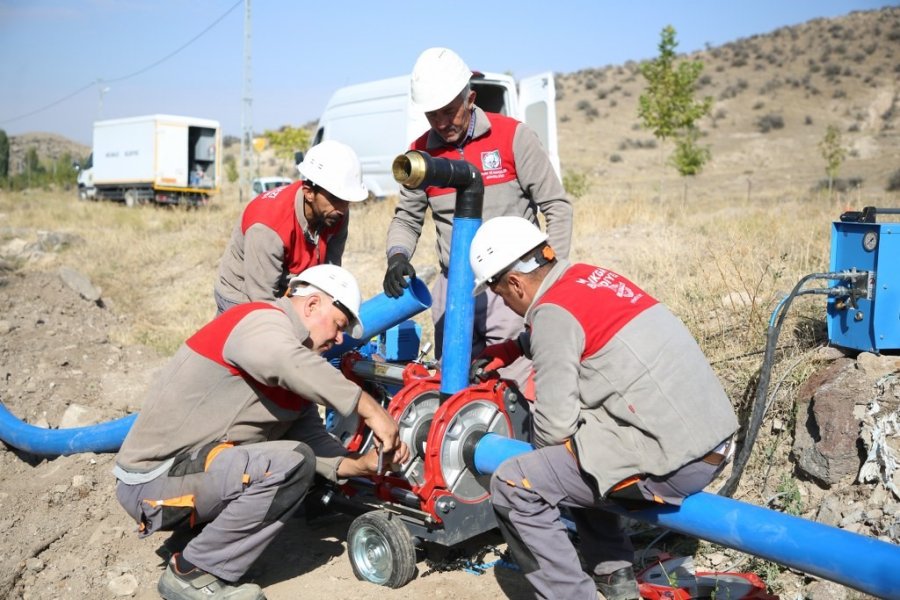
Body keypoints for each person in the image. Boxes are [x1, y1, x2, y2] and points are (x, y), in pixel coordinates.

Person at [467, 216, 739, 600]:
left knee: (517, 484)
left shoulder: (551, 314)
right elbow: (591, 335)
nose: (507, 305)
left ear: (514, 282)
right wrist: (517, 347)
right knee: (581, 451)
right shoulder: (587, 277)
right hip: (712, 438)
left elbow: (554, 430)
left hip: (677, 464)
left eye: (501, 294)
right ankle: (615, 580)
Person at [114, 264, 409, 600]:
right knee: (289, 463)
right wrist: (373, 411)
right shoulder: (261, 322)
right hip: (152, 481)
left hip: (185, 477)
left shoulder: (295, 374)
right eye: (339, 326)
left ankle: (195, 544)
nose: (339, 339)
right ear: (312, 305)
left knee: (298, 458)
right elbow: (287, 361)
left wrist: (363, 466)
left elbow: (314, 444)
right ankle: (193, 573)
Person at [383, 47, 573, 391]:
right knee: (454, 386)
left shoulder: (513, 137)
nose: (441, 123)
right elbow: (407, 219)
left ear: (470, 98)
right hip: (452, 285)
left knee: (514, 384)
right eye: (432, 115)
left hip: (513, 285)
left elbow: (556, 206)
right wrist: (397, 256)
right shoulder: (420, 155)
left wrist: (549, 278)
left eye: (449, 111)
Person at [215, 140, 368, 315]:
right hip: (241, 295)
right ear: (309, 192)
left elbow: (329, 274)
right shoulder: (268, 227)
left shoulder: (335, 214)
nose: (343, 208)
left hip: (286, 287)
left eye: (347, 200)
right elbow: (261, 301)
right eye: (335, 198)